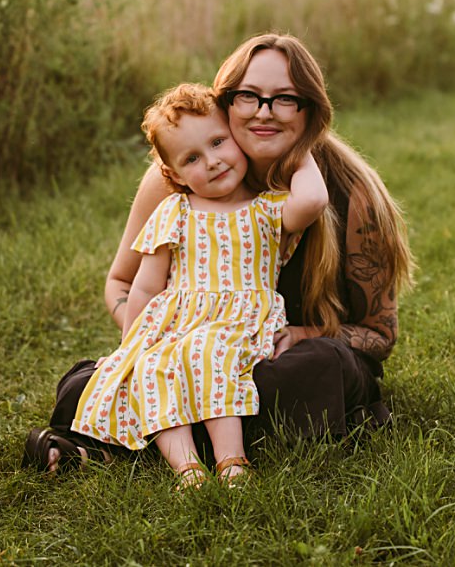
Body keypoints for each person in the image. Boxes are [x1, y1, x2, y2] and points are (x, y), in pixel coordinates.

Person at [22, 33, 413, 474]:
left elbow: (379, 336)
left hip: (280, 361)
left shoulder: (349, 194)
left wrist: (305, 334)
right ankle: (211, 436)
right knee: (85, 383)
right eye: (248, 96)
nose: (264, 112)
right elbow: (123, 283)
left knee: (321, 370)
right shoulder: (178, 185)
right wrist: (155, 347)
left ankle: (131, 443)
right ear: (224, 102)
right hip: (189, 354)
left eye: (285, 99)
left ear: (311, 111)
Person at [70, 83, 328, 488]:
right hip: (177, 326)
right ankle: (187, 469)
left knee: (209, 352)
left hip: (237, 323)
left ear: (236, 134)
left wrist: (297, 146)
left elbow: (312, 201)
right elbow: (144, 288)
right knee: (152, 367)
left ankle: (232, 462)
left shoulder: (267, 208)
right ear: (173, 174)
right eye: (192, 158)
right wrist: (129, 348)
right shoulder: (173, 212)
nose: (212, 161)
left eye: (218, 142)